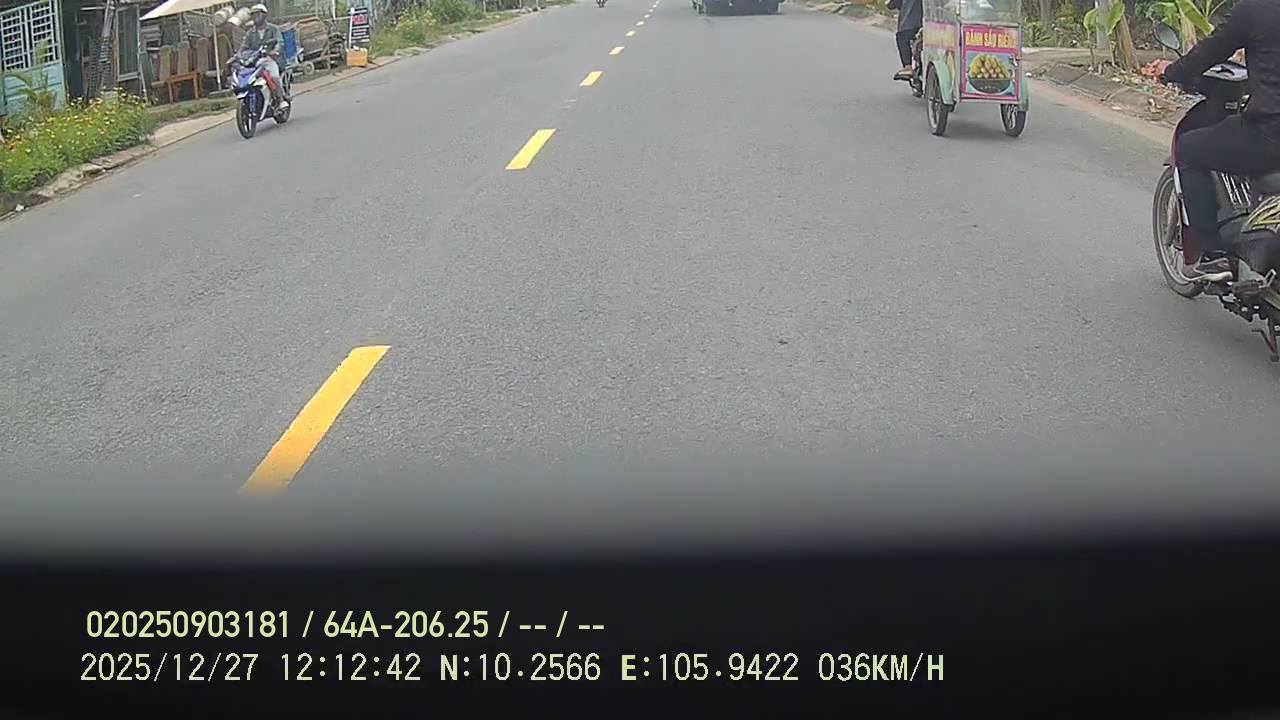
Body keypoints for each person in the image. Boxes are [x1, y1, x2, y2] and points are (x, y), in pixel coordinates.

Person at [1160, 0, 1280, 282]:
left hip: (1270, 134)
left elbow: (1208, 52)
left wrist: (1170, 71)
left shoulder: (1255, 9)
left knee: (1190, 149)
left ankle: (1212, 256)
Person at [241, 3, 288, 110]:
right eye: (253, 15)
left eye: (258, 14)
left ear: (264, 15)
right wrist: (237, 56)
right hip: (255, 62)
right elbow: (243, 47)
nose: (255, 17)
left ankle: (281, 100)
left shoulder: (273, 29)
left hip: (270, 59)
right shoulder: (250, 33)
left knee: (274, 77)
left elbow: (280, 42)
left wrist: (274, 51)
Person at [888, 0, 923, 81]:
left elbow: (892, 5)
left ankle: (908, 67)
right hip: (932, 20)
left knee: (901, 38)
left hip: (912, 23)